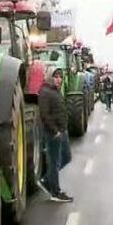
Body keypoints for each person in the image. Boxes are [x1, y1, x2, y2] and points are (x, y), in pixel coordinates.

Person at [38, 68, 73, 202]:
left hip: (62, 131)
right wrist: (55, 131)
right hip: (54, 133)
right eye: (56, 76)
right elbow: (45, 114)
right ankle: (55, 192)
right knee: (54, 162)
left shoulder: (55, 91)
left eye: (61, 77)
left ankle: (47, 180)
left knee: (66, 157)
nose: (59, 79)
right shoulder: (45, 92)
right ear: (49, 77)